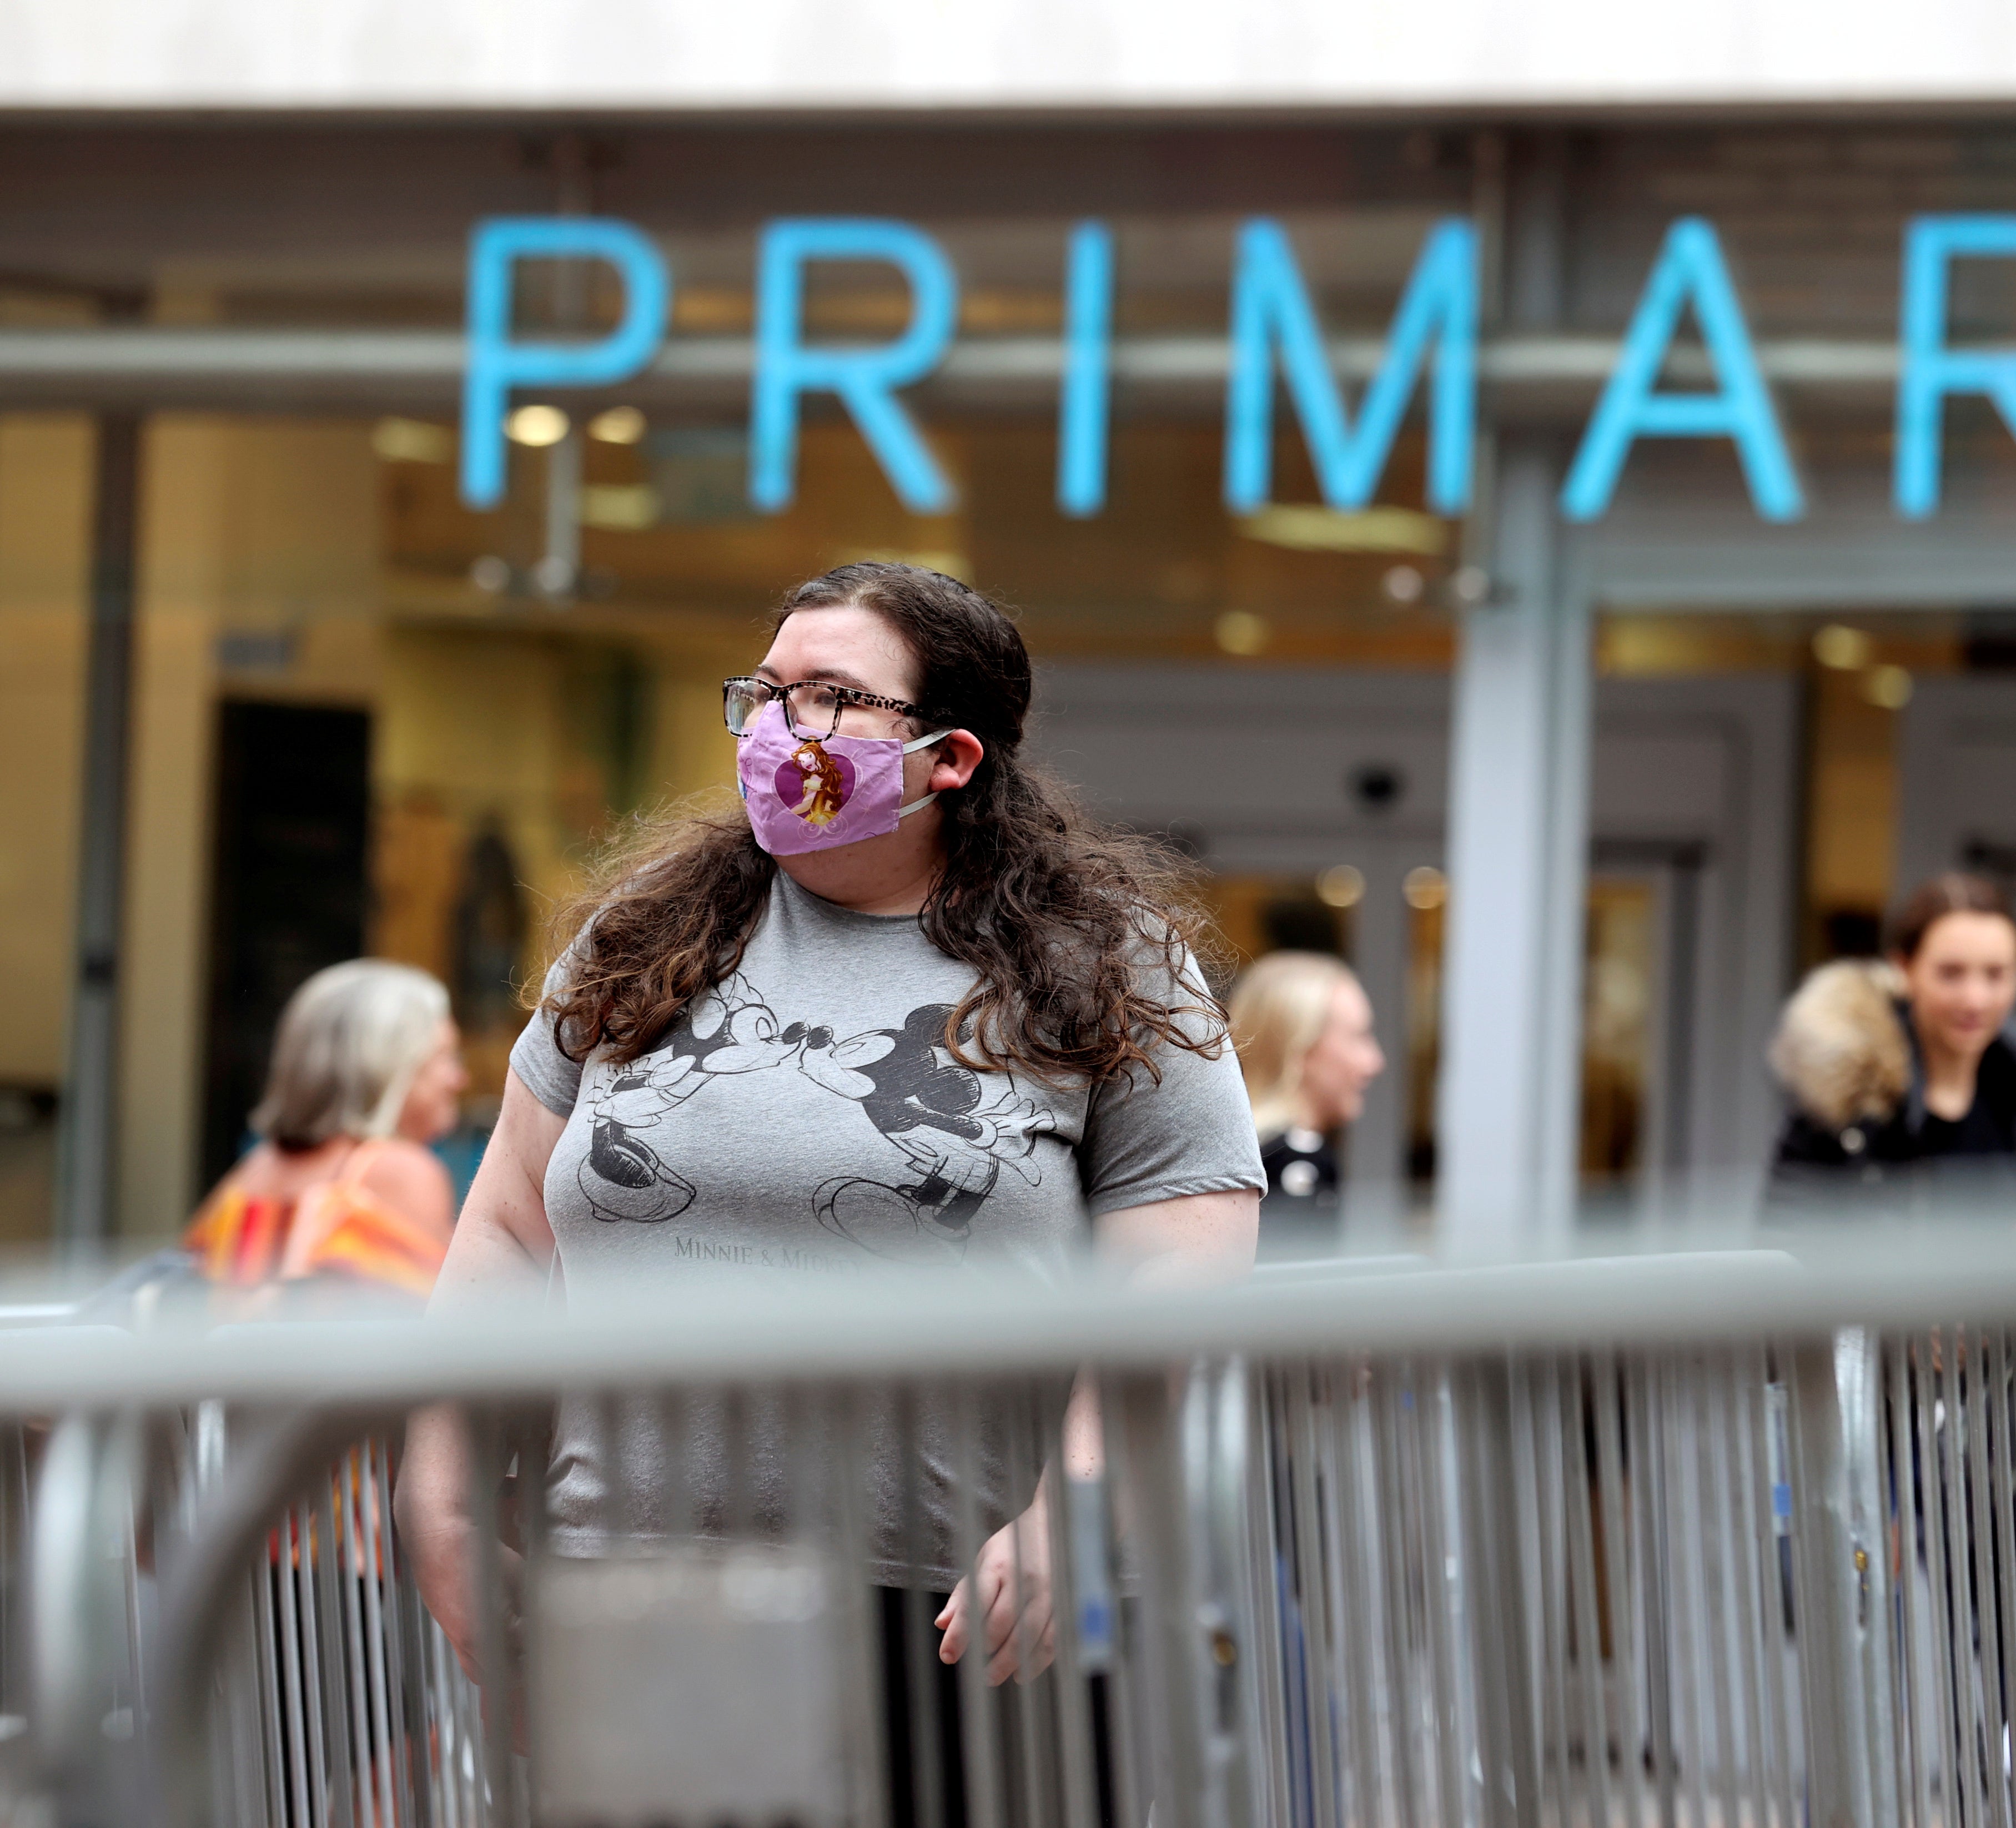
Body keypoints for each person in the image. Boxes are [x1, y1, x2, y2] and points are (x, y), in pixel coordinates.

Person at [391, 563, 1264, 1794]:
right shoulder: (644, 935)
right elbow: (506, 1229)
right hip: (633, 1591)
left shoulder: (1108, 965)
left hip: (962, 1613)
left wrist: (1078, 1505)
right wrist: (438, 1495)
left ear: (949, 754)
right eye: (764, 692)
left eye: (830, 698)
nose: (774, 728)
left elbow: (1178, 1278)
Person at [1767, 873, 2016, 1208]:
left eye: (1996, 975)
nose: (1975, 1000)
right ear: (1904, 968)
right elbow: (1789, 1246)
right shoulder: (1844, 1103)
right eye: (1951, 973)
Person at [171, 958, 466, 1314]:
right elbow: (440, 1327)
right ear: (388, 1068)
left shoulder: (256, 1168)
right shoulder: (401, 1171)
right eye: (446, 1057)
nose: (458, 1080)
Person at [1226, 951, 1385, 1236]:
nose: (1374, 1062)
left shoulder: (1234, 1154)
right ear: (1300, 1048)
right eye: (1358, 1037)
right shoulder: (1298, 1161)